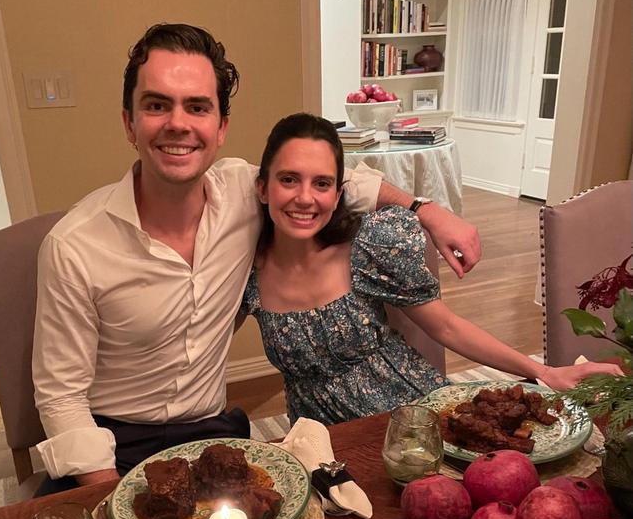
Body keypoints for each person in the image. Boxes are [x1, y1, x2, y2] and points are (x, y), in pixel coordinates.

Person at [32, 24, 481, 491]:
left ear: (221, 128)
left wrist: (426, 209)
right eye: (157, 104)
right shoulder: (74, 246)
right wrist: (109, 499)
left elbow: (339, 180)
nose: (178, 123)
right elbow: (61, 397)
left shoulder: (244, 192)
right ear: (129, 122)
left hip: (207, 433)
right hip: (112, 442)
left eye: (198, 107)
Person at [240, 113, 623, 426]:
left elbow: (446, 326)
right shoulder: (243, 273)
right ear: (263, 188)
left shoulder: (365, 247)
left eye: (321, 183)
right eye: (289, 179)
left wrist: (544, 372)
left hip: (410, 414)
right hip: (320, 437)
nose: (305, 197)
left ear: (338, 194)